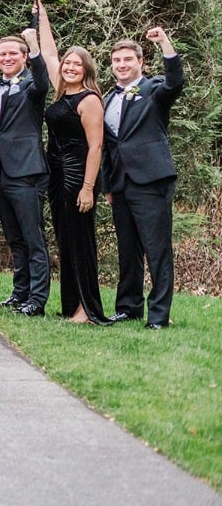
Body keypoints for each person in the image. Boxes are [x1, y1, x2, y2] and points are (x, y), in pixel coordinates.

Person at [101, 26, 183, 330]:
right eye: (116, 60)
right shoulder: (108, 98)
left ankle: (158, 316)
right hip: (121, 184)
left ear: (140, 63)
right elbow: (110, 145)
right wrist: (108, 185)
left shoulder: (154, 89)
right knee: (128, 250)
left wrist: (164, 42)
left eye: (127, 60)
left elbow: (176, 82)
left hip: (151, 180)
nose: (121, 65)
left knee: (157, 250)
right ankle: (128, 307)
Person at [35, 2, 111, 324]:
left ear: (86, 70)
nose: (69, 67)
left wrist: (88, 187)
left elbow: (96, 147)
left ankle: (86, 309)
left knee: (80, 241)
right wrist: (42, 15)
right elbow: (49, 53)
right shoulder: (61, 92)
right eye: (68, 63)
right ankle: (71, 306)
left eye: (77, 65)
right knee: (65, 240)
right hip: (56, 174)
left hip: (78, 175)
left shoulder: (89, 99)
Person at [0, 26, 50, 317]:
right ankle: (19, 293)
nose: (7, 58)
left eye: (13, 53)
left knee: (32, 237)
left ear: (24, 57)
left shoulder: (31, 86)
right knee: (15, 239)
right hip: (2, 173)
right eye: (2, 54)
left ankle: (37, 300)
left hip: (27, 171)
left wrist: (34, 44)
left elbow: (43, 82)